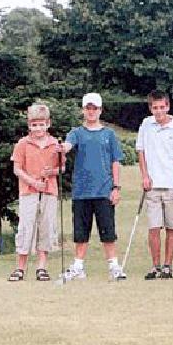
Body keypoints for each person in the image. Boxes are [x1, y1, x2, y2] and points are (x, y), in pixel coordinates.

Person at [58, 93, 126, 281]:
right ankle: (78, 266)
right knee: (81, 231)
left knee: (108, 230)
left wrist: (116, 187)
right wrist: (63, 148)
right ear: (83, 110)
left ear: (100, 110)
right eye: (88, 108)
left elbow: (115, 162)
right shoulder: (76, 132)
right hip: (81, 191)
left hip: (104, 190)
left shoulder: (109, 134)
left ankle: (113, 266)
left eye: (94, 108)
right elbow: (69, 145)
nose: (91, 112)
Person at [136, 90, 173, 280]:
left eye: (162, 107)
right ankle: (155, 266)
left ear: (168, 107)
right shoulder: (146, 125)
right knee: (154, 227)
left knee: (172, 227)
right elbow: (140, 152)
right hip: (152, 185)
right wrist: (145, 176)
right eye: (155, 108)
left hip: (172, 184)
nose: (158, 111)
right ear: (150, 108)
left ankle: (167, 266)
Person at [8, 104, 62, 282]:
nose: (38, 128)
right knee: (26, 227)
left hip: (49, 192)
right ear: (29, 125)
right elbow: (17, 169)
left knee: (46, 226)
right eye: (34, 125)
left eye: (41, 124)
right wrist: (32, 182)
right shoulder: (23, 144)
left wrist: (51, 172)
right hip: (28, 192)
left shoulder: (55, 144)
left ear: (48, 124)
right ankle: (20, 267)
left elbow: (62, 167)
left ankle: (41, 267)